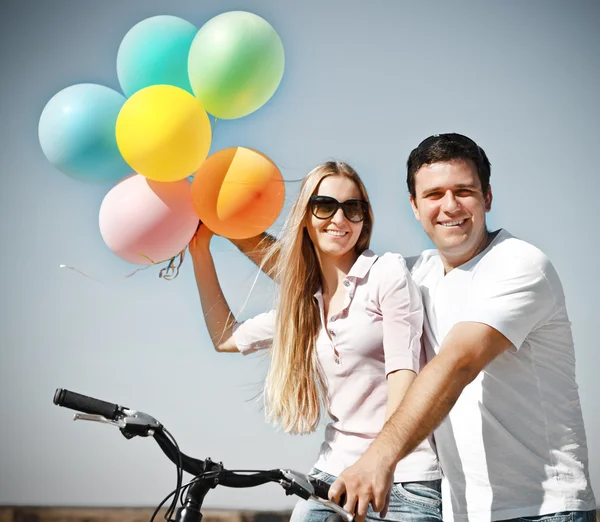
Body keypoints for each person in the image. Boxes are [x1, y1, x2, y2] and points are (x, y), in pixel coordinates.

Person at [323, 133, 597, 522]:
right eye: (434, 194)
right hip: (462, 512)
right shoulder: (413, 274)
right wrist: (222, 227)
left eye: (463, 191)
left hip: (544, 510)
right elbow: (326, 279)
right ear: (415, 207)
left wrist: (379, 458)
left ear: (487, 197)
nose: (450, 205)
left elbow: (458, 363)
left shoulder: (519, 264)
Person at [188, 161, 443, 522]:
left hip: (403, 479)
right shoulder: (304, 307)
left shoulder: (386, 273)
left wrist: (381, 460)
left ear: (364, 220)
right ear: (305, 218)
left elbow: (405, 371)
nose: (339, 218)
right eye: (325, 206)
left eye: (352, 208)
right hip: (330, 476)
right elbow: (225, 337)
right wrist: (201, 251)